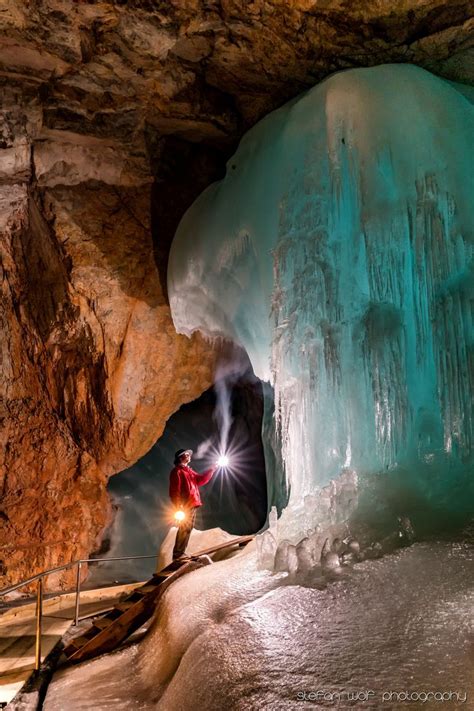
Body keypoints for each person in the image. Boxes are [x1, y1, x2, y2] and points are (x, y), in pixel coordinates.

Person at [169, 449, 217, 560]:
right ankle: (178, 554)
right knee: (184, 528)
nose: (189, 456)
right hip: (185, 505)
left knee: (188, 528)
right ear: (180, 458)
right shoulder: (177, 471)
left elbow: (200, 480)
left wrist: (212, 469)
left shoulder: (188, 471)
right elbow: (174, 490)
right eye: (186, 454)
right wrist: (178, 506)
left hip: (192, 503)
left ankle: (180, 553)